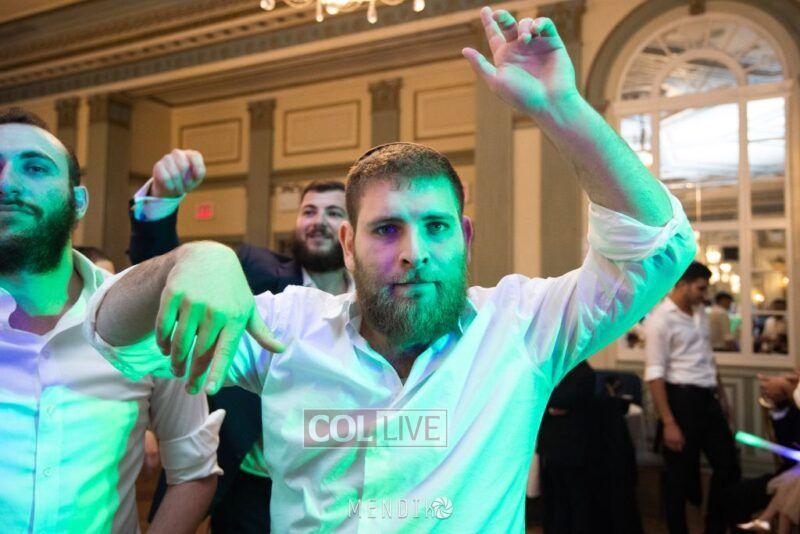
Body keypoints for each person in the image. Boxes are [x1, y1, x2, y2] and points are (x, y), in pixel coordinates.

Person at [86, 8, 696, 531]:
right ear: (348, 246)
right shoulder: (288, 329)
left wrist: (563, 109)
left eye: (436, 227)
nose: (414, 252)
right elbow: (113, 337)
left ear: (464, 238)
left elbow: (658, 251)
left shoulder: (520, 328)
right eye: (386, 229)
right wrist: (193, 257)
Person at [0, 108, 221, 532]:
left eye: (35, 167)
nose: (7, 182)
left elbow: (194, 472)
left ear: (79, 202)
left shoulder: (143, 319)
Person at [130, 150, 352, 533]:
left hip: (337, 485)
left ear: (351, 230)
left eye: (333, 212)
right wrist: (161, 202)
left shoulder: (368, 299)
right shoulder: (255, 271)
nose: (318, 221)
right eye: (309, 211)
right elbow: (165, 279)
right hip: (251, 484)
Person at [644, 262, 741, 534]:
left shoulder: (700, 313)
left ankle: (714, 526)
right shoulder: (660, 319)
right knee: (679, 476)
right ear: (682, 284)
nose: (704, 294)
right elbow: (654, 374)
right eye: (700, 288)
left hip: (708, 398)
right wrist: (669, 422)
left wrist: (722, 398)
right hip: (681, 400)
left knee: (728, 465)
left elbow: (708, 358)